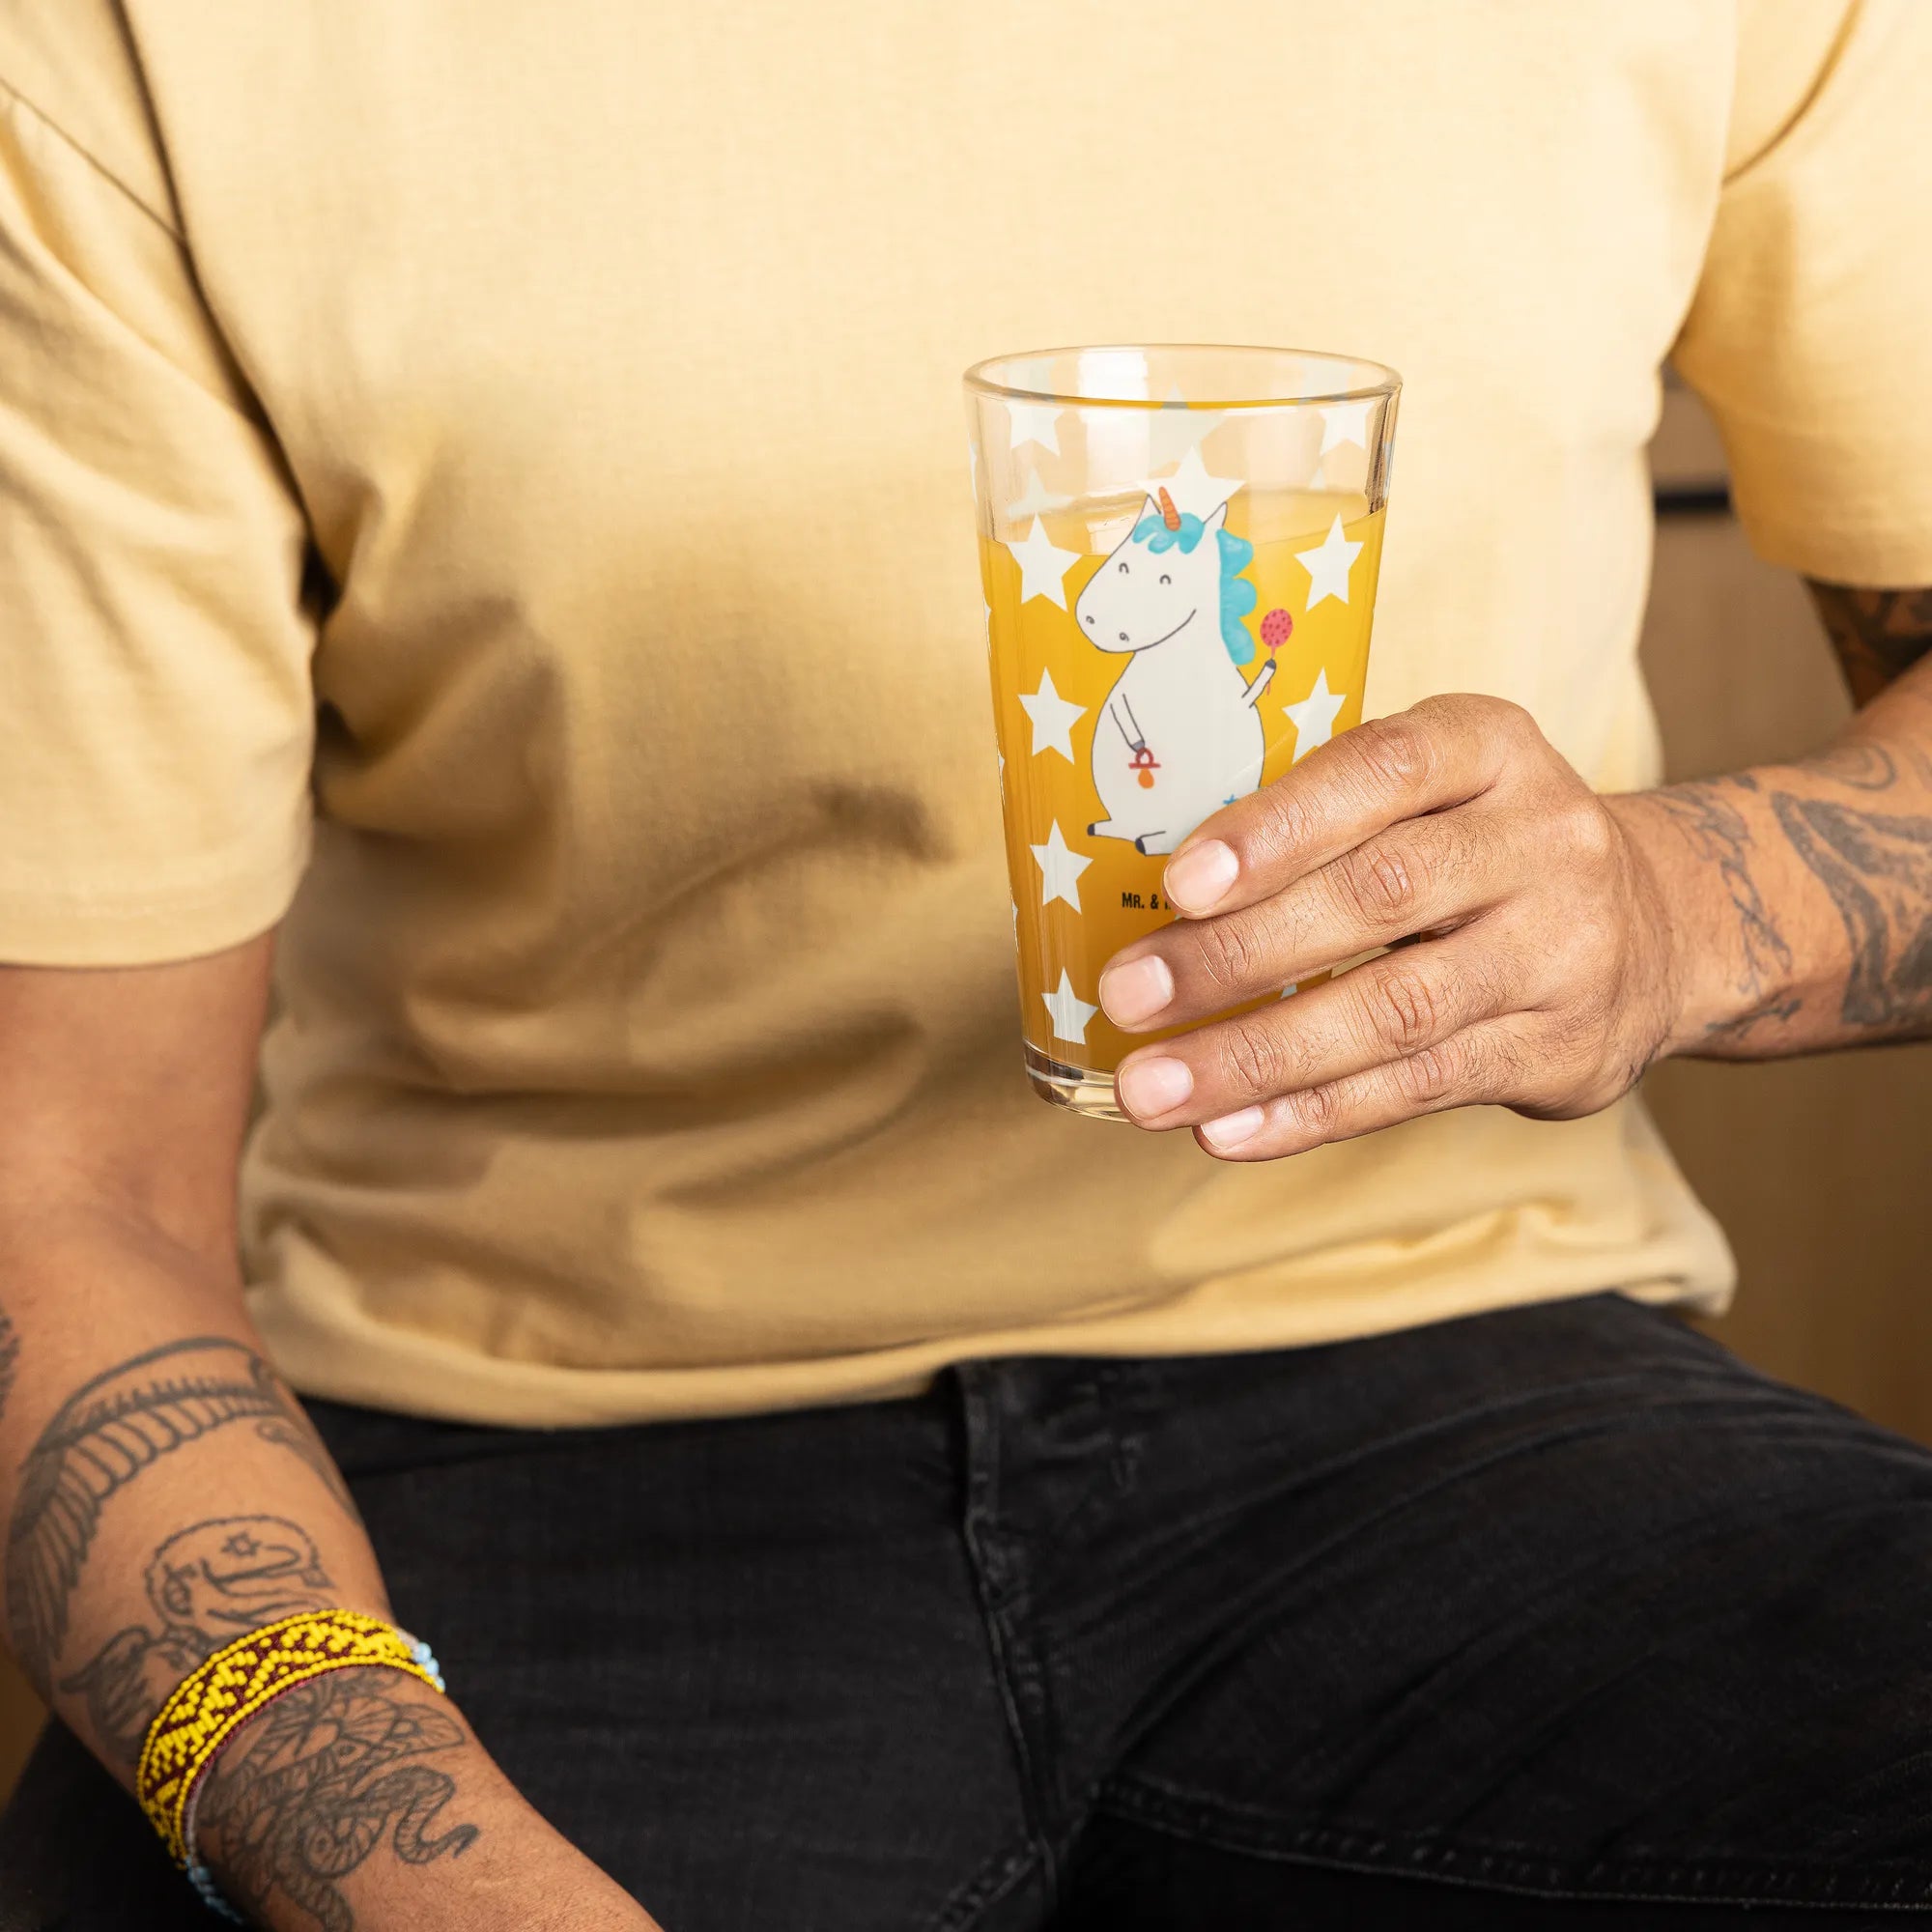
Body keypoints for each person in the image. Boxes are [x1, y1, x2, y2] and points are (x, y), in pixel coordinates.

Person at [0, 2, 1929, 1927]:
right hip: (512, 1436)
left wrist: (1673, 905)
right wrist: (408, 1858)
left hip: (1472, 1361)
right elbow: (65, 1182)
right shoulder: (144, 47)